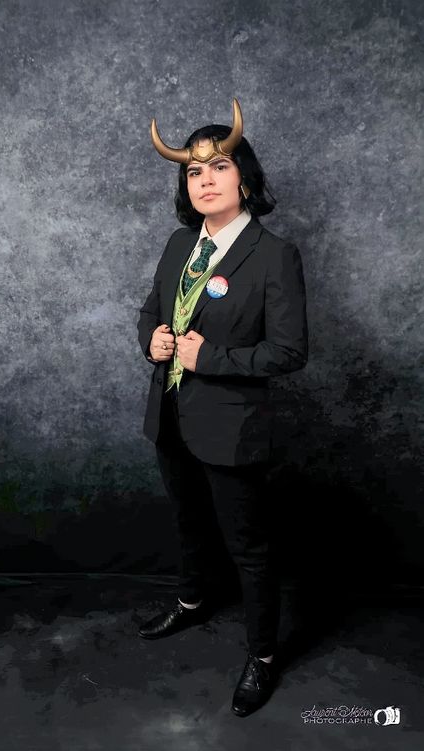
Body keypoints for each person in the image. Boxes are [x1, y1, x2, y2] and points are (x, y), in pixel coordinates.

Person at [136, 98, 308, 717]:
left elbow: (289, 352)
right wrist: (153, 341)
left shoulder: (273, 254)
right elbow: (150, 311)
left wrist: (212, 358)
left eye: (219, 166)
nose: (205, 180)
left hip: (231, 426)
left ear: (245, 179)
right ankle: (191, 601)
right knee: (189, 523)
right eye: (193, 171)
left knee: (248, 547)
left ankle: (262, 654)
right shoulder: (179, 242)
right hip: (170, 416)